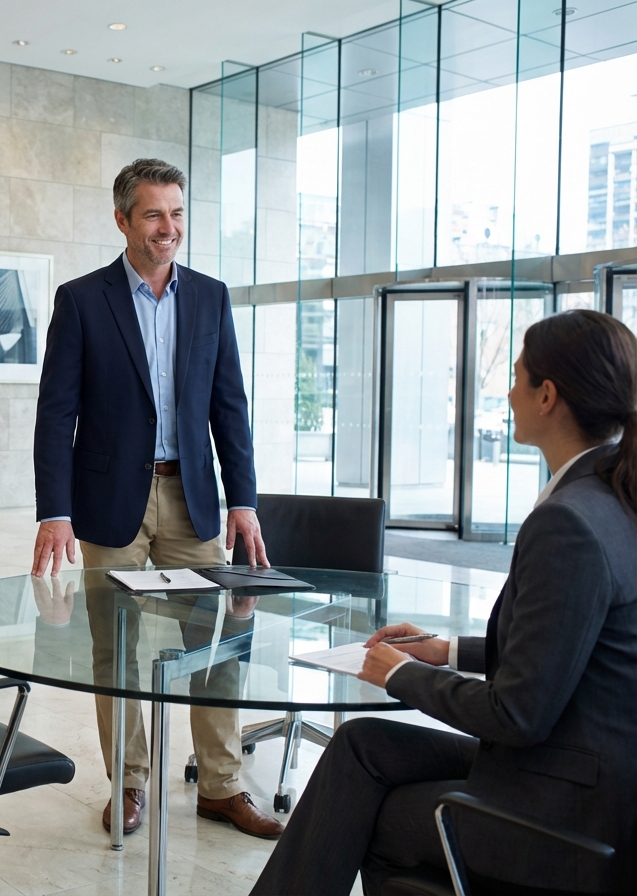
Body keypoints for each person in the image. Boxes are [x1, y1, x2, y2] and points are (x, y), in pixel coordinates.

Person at [252, 309, 637, 896]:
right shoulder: (613, 495)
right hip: (586, 778)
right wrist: (446, 649)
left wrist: (402, 674)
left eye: (516, 377)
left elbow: (517, 715)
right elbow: (568, 645)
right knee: (362, 745)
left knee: (369, 817)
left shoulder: (572, 523)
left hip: (564, 814)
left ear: (548, 396)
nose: (506, 393)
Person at [32, 158, 281, 839]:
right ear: (122, 220)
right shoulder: (83, 300)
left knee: (220, 638)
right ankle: (132, 782)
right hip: (111, 500)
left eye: (176, 213)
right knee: (117, 645)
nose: (168, 228)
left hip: (193, 496)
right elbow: (57, 414)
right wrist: (54, 511)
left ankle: (221, 785)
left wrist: (244, 500)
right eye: (153, 214)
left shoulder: (210, 297)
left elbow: (230, 406)